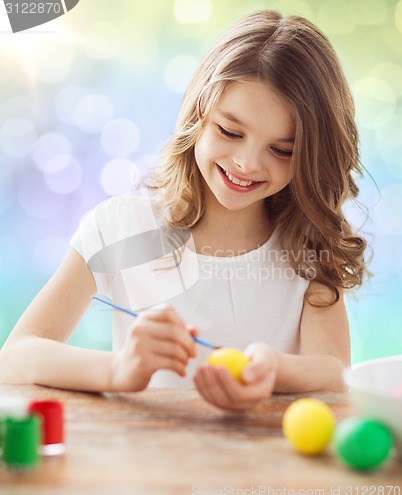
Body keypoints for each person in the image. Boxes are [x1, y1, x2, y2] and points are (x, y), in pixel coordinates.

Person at [0, 10, 367, 410]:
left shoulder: (307, 247)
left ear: (311, 157)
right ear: (198, 115)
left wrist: (274, 372)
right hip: (148, 466)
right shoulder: (120, 230)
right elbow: (16, 357)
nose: (246, 163)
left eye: (281, 150)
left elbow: (336, 374)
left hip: (265, 469)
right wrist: (118, 370)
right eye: (230, 131)